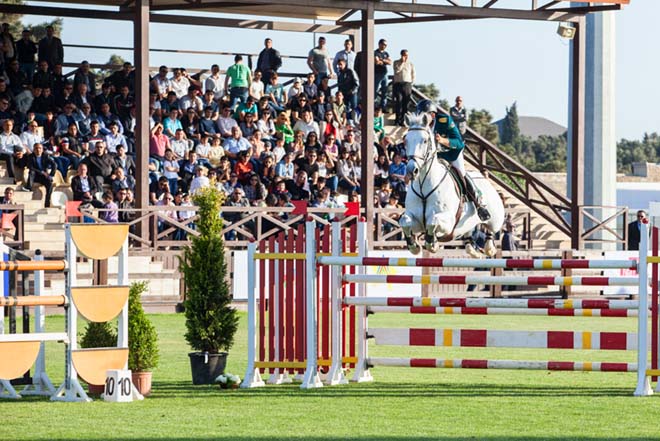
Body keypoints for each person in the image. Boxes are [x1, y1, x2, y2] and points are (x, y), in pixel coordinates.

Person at [416, 99, 490, 221]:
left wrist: (443, 141)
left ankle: (479, 204)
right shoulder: (419, 126)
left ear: (433, 115)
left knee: (462, 174)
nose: (421, 118)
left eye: (424, 115)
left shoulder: (444, 121)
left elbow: (459, 143)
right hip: (434, 157)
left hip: (451, 154)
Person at [392, 49, 415, 127]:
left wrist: (411, 82)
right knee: (399, 101)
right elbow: (397, 71)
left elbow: (413, 74)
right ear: (401, 55)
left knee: (406, 103)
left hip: (407, 84)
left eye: (407, 55)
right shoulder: (396, 62)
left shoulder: (410, 64)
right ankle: (397, 120)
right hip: (398, 84)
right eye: (404, 55)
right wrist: (402, 62)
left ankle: (403, 120)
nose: (406, 56)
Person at [374, 39, 392, 110]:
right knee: (375, 90)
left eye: (385, 45)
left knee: (385, 91)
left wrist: (382, 60)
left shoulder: (386, 53)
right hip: (377, 74)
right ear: (379, 44)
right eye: (383, 44)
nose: (384, 46)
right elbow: (377, 62)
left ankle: (383, 107)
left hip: (385, 74)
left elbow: (390, 62)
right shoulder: (375, 52)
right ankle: (374, 106)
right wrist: (385, 61)